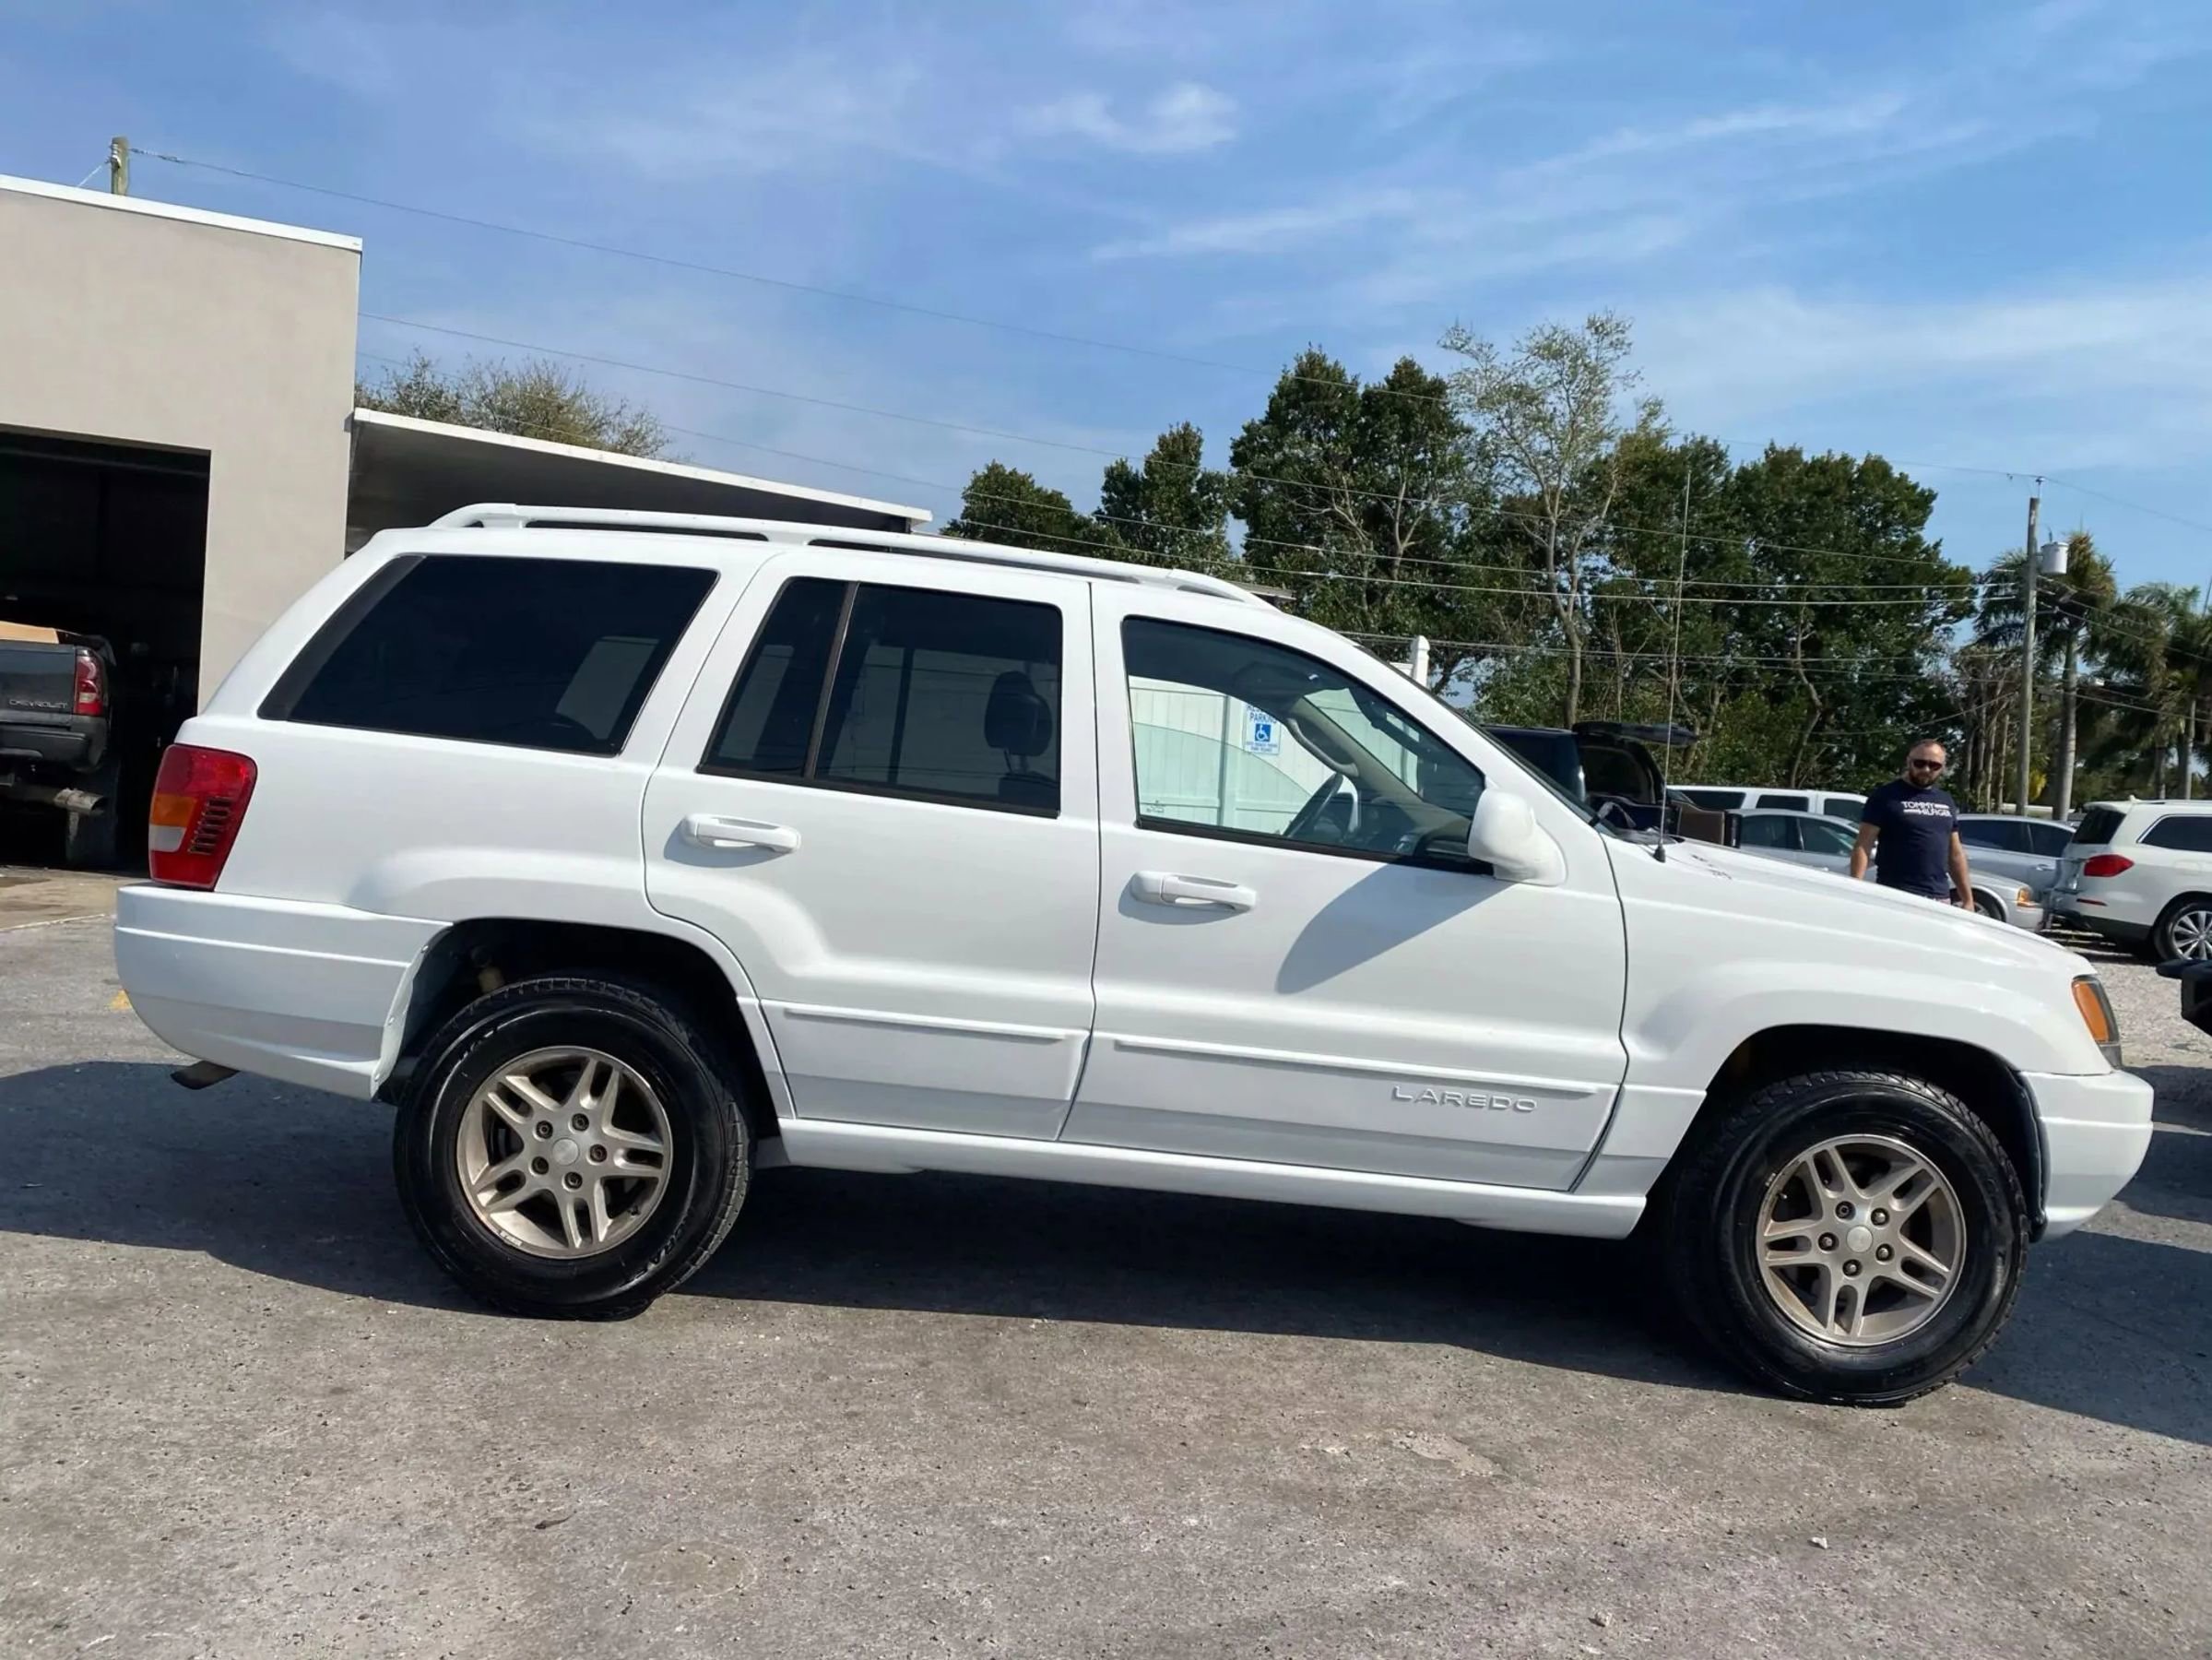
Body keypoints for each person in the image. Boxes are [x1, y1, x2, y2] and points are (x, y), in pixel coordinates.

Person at [1851, 740, 1972, 907]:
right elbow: (1863, 845)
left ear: (1943, 768)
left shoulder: (1946, 800)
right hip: (1897, 894)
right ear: (1909, 761)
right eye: (1920, 763)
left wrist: (1967, 899)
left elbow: (1955, 853)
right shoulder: (1885, 796)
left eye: (1934, 766)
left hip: (1940, 897)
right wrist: (1855, 888)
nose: (1926, 770)